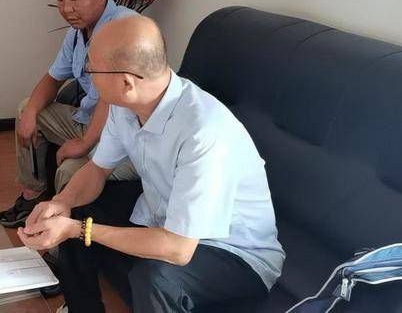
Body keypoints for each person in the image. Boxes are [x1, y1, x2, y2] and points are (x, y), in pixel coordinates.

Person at [18, 16, 285, 313]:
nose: (87, 76)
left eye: (91, 69)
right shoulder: (125, 106)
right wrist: (62, 202)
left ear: (126, 82)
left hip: (233, 251)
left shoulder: (203, 131)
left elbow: (178, 249)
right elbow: (97, 169)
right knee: (78, 206)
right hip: (165, 215)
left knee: (156, 278)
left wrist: (78, 229)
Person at [0, 0, 137, 228]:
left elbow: (112, 98)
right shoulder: (77, 30)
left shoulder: (124, 27)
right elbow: (53, 78)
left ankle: (60, 240)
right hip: (87, 121)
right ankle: (33, 194)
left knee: (70, 171)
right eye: (60, 0)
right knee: (28, 108)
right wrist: (31, 113)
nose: (66, 9)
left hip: (118, 132)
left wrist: (84, 144)